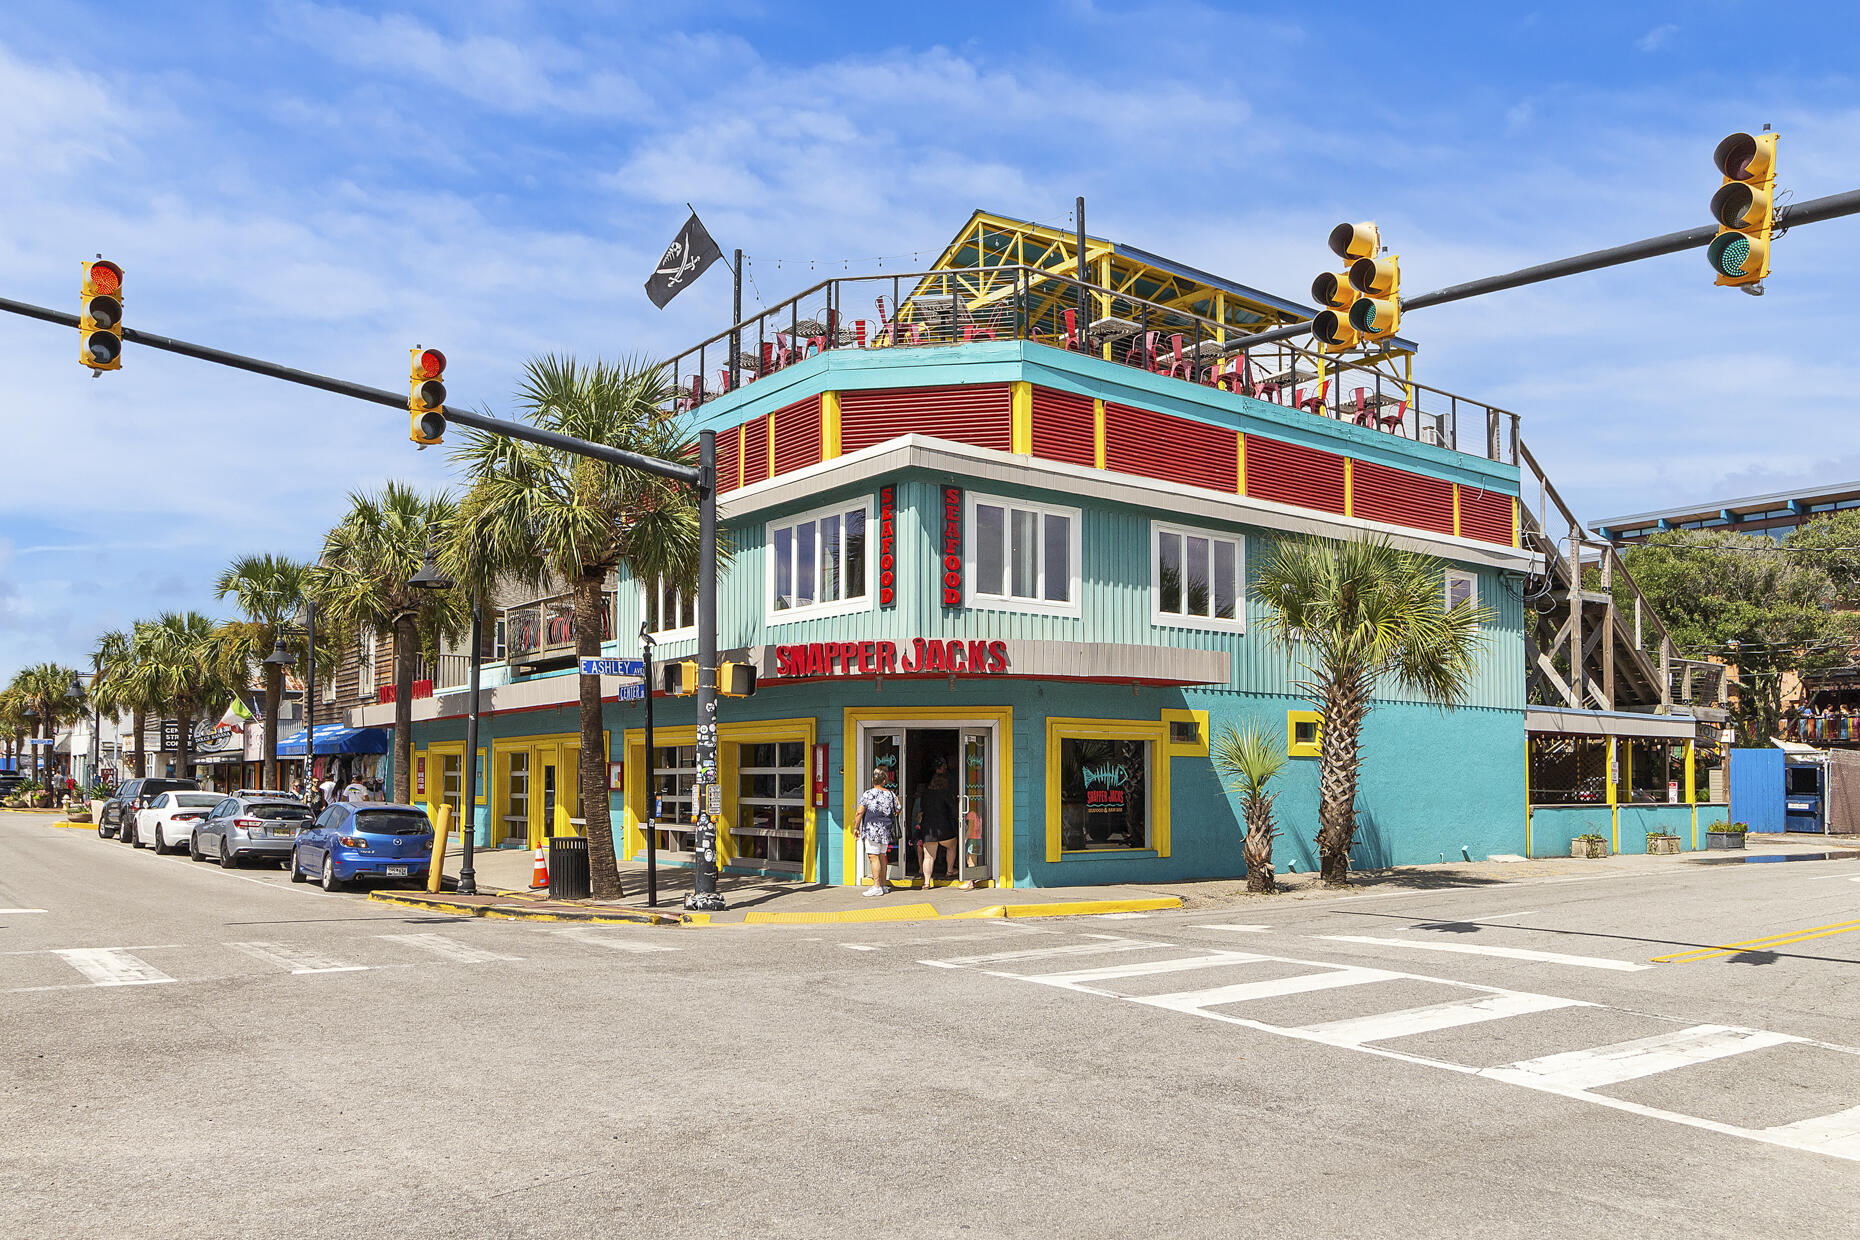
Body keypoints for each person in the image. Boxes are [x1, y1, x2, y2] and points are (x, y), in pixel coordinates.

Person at [913, 757, 967, 890]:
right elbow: (952, 809)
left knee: (928, 856)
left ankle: (926, 882)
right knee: (952, 845)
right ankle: (949, 870)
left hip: (928, 827)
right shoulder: (946, 793)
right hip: (944, 827)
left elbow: (922, 808)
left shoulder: (926, 794)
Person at [850, 767, 901, 897]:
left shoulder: (868, 794)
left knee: (873, 857)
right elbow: (898, 809)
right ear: (884, 781)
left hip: (872, 830)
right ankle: (883, 885)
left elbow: (859, 812)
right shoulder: (890, 794)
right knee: (882, 856)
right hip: (886, 830)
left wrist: (856, 827)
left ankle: (877, 886)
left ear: (873, 780)